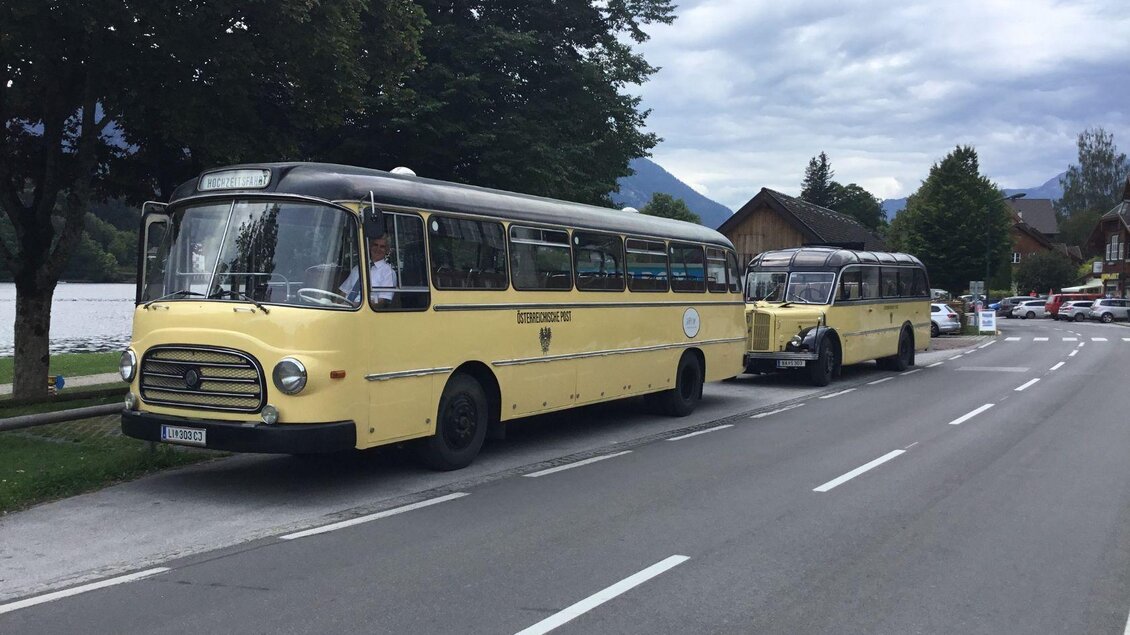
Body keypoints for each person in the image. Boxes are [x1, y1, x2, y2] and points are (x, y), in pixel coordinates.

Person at [339, 235, 396, 308]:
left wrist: (355, 306)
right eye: (375, 245)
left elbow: (383, 301)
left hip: (364, 312)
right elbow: (343, 292)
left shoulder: (388, 272)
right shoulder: (357, 268)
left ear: (387, 250)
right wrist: (334, 305)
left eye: (382, 247)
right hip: (345, 310)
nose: (378, 249)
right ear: (370, 247)